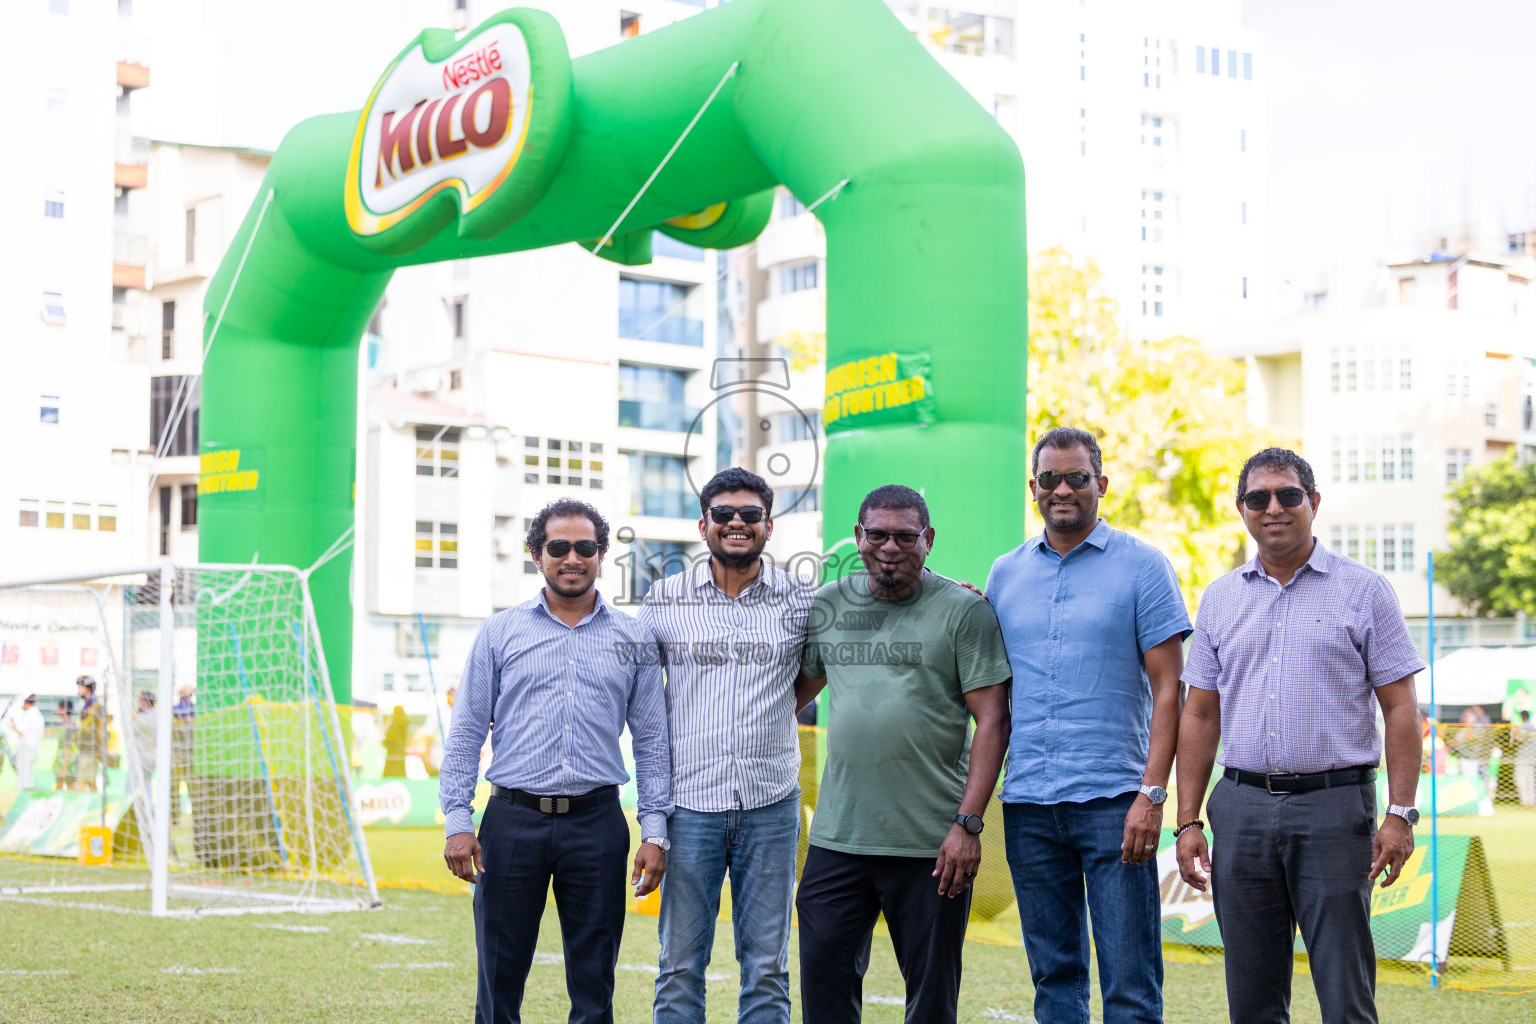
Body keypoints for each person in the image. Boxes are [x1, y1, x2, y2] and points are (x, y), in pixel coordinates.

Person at [1174, 448, 1425, 1024]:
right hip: (1240, 809)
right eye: (1258, 498)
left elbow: (1401, 707)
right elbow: (1199, 715)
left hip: (1335, 810)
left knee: (1344, 993)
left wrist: (1401, 813)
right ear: (1242, 509)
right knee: (1253, 997)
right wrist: (1188, 820)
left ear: (1313, 502)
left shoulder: (1366, 592)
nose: (1274, 508)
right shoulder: (1220, 598)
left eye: (1288, 494)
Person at [440, 498, 672, 1024]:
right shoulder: (500, 633)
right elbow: (466, 733)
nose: (573, 557)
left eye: (585, 547)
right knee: (499, 980)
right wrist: (459, 822)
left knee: (594, 985)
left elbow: (653, 743)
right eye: (559, 547)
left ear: (601, 553)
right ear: (536, 555)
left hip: (597, 825)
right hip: (511, 822)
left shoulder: (633, 637)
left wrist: (654, 833)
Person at [986, 427, 1190, 1024]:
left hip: (1115, 805)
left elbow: (1169, 689)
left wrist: (1153, 795)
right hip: (1028, 804)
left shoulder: (1144, 567)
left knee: (1129, 980)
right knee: (1054, 978)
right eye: (1050, 479)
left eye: (1077, 477)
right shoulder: (1005, 574)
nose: (1064, 490)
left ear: (1101, 484)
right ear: (1034, 489)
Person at [794, 485, 1012, 1024]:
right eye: (878, 535)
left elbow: (994, 720)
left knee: (931, 1001)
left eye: (905, 536)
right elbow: (790, 694)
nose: (890, 547)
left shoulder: (965, 612)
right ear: (858, 537)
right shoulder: (830, 603)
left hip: (932, 845)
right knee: (824, 993)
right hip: (838, 839)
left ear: (928, 539)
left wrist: (968, 824)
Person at [640, 467, 817, 1024]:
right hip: (690, 806)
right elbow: (642, 706)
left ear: (770, 525)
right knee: (679, 965)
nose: (735, 523)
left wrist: (775, 711)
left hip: (771, 803)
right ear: (703, 524)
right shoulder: (665, 599)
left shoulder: (803, 599)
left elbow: (817, 669)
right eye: (723, 514)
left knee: (767, 967)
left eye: (748, 515)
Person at [5, 695, 45, 790]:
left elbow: (20, 730)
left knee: (24, 776)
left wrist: (12, 724)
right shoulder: (37, 714)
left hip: (27, 747)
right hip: (32, 746)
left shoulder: (30, 714)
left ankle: (24, 797)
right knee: (26, 773)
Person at [75, 676, 104, 791]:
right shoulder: (86, 706)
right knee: (90, 783)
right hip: (84, 750)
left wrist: (101, 749)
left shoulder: (96, 706)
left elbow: (101, 728)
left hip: (91, 750)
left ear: (87, 688)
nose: (78, 690)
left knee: (84, 782)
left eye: (80, 687)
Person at [54, 699, 79, 790]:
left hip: (70, 761)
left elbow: (69, 747)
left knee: (70, 786)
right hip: (61, 759)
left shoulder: (71, 726)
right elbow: (60, 745)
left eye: (59, 708)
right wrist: (56, 761)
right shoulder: (62, 725)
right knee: (58, 784)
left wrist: (65, 766)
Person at [1515, 710, 1536, 809]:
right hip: (1532, 757)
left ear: (1522, 717)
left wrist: (1514, 732)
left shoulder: (1524, 727)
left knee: (1521, 779)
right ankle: (1531, 801)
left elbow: (1519, 740)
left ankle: (1525, 802)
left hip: (1524, 757)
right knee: (1530, 780)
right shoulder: (1532, 726)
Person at [382, 706, 409, 778]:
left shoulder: (394, 726)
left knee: (391, 775)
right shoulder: (404, 723)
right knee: (400, 774)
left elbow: (386, 741)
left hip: (393, 756)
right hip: (400, 755)